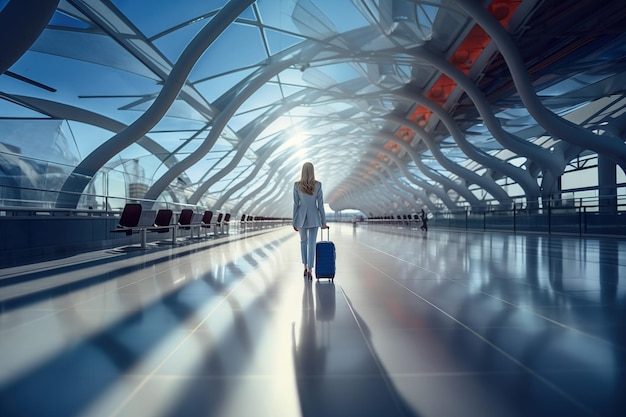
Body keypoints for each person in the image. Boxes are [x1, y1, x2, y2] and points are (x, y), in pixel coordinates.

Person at [293, 162, 328, 279]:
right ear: (313, 171)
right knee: (312, 243)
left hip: (301, 217)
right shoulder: (318, 185)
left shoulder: (297, 185)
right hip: (314, 217)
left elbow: (295, 204)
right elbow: (321, 205)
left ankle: (304, 266)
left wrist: (294, 221)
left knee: (303, 242)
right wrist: (323, 221)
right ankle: (310, 269)